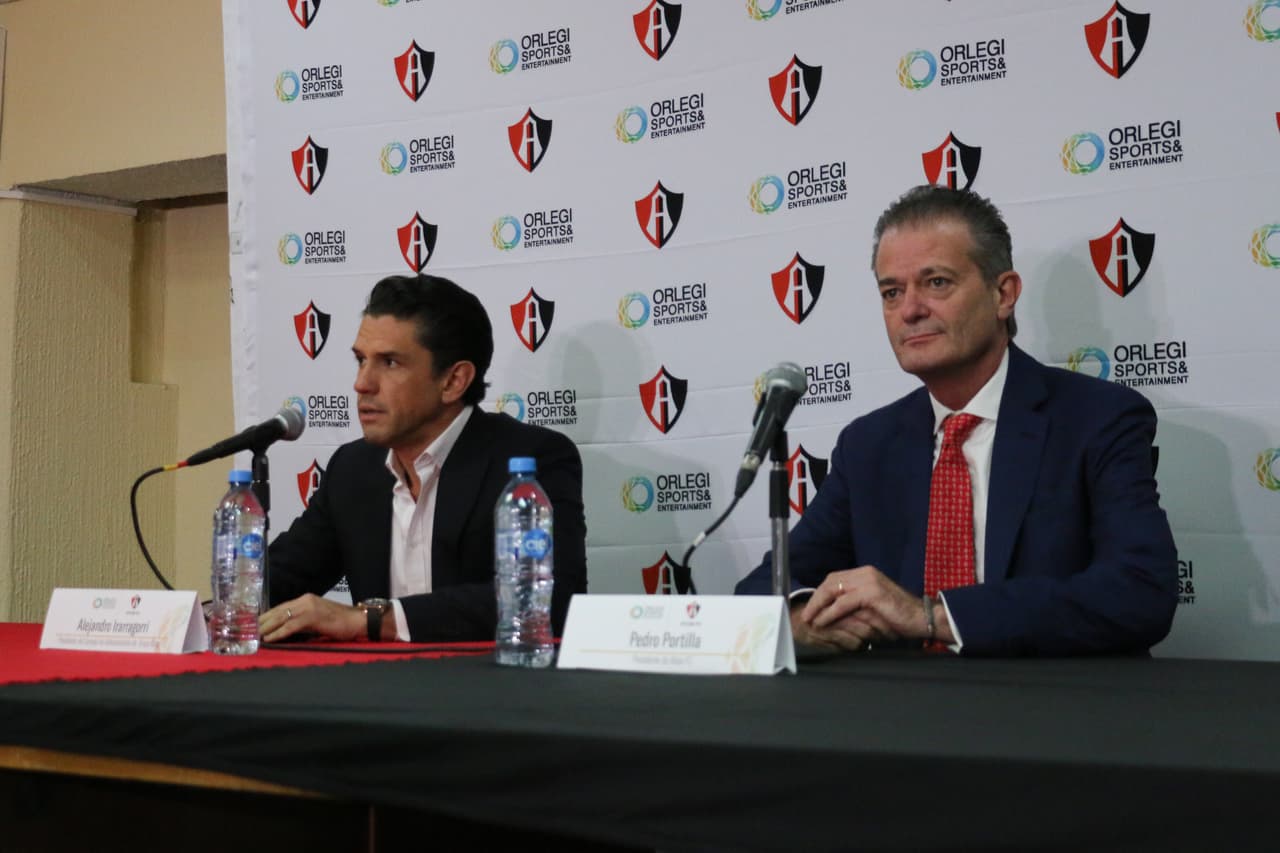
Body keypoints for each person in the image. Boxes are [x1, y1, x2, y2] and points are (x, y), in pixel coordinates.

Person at [735, 185, 1178, 656]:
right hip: (897, 717)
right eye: (891, 292)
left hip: (1050, 711)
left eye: (937, 283)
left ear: (1003, 294)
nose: (910, 310)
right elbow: (766, 584)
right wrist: (802, 618)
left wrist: (932, 617)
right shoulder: (868, 444)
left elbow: (1140, 592)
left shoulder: (1096, 419)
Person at [260, 273, 587, 643]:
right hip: (375, 693)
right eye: (361, 360)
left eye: (390, 363)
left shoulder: (529, 460)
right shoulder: (353, 470)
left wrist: (371, 619)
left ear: (453, 381)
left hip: (487, 691)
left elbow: (551, 600)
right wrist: (199, 610)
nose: (362, 383)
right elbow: (280, 580)